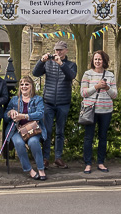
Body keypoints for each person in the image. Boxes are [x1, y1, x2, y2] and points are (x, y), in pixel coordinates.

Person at [32, 40, 78, 169]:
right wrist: (41, 61)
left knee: (60, 132)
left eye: (60, 50)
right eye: (56, 50)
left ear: (66, 51)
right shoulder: (48, 64)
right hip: (49, 102)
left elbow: (71, 76)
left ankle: (58, 158)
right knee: (47, 131)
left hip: (63, 103)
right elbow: (35, 73)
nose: (58, 52)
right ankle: (45, 158)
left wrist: (61, 64)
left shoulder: (71, 65)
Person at [80, 50, 117, 174]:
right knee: (88, 138)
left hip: (106, 110)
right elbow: (83, 93)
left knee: (103, 137)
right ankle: (88, 163)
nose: (97, 61)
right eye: (95, 59)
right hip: (91, 110)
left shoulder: (110, 75)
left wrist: (107, 88)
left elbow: (115, 95)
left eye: (99, 59)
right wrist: (96, 86)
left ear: (104, 61)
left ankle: (100, 162)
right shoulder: (87, 74)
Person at [5, 76, 47, 180]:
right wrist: (10, 113)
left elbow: (40, 114)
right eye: (22, 84)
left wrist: (24, 116)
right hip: (17, 130)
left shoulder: (38, 99)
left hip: (33, 130)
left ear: (31, 86)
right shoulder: (14, 100)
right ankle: (29, 170)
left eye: (27, 84)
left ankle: (41, 169)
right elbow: (5, 115)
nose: (24, 86)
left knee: (33, 142)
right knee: (19, 143)